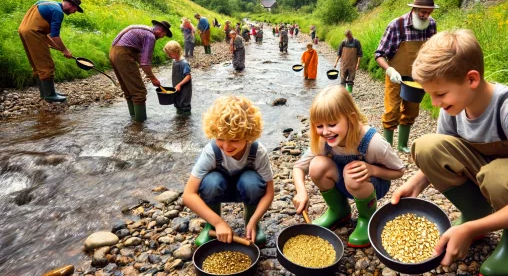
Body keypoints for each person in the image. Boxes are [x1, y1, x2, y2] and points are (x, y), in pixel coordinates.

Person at [390, 29, 508, 275]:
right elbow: (444, 152)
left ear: (471, 79)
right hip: (494, 173)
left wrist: (468, 230)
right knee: (426, 146)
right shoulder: (454, 106)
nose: (435, 103)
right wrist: (417, 182)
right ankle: (476, 214)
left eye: (440, 94)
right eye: (430, 95)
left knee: (497, 175)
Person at [292, 85, 405, 247]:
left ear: (351, 118)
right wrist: (301, 192)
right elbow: (298, 167)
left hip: (373, 185)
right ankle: (339, 211)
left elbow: (399, 171)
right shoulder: (324, 141)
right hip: (344, 181)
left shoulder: (373, 142)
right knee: (317, 165)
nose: (325, 132)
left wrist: (372, 170)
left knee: (351, 172)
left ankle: (367, 218)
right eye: (319, 126)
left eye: (332, 124)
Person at [182, 96, 274, 247]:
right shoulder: (211, 152)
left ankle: (251, 224)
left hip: (246, 191)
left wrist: (254, 219)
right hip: (218, 191)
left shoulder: (258, 152)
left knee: (252, 181)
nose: (226, 146)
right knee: (211, 181)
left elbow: (269, 193)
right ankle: (211, 225)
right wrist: (218, 223)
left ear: (248, 135)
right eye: (220, 138)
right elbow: (188, 195)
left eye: (234, 139)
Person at [375, 0, 438, 153]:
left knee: (411, 111)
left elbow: (433, 51)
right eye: (422, 12)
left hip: (417, 77)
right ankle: (387, 147)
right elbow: (379, 54)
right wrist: (389, 70)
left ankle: (402, 145)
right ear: (415, 9)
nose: (426, 16)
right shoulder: (397, 25)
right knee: (392, 111)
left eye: (429, 12)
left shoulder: (431, 25)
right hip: (395, 75)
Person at [18, 0, 83, 103]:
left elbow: (42, 31)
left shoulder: (45, 2)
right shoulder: (58, 12)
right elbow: (55, 36)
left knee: (36, 63)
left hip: (23, 31)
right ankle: (50, 94)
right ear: (70, 4)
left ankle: (44, 93)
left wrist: (60, 49)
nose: (73, 12)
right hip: (34, 33)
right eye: (74, 10)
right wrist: (65, 50)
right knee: (46, 64)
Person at [109, 20, 172, 122]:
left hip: (113, 53)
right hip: (123, 55)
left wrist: (148, 72)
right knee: (139, 92)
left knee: (128, 89)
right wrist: (153, 78)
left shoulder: (140, 28)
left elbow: (137, 54)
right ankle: (140, 123)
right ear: (160, 30)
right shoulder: (150, 36)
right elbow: (144, 62)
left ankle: (133, 118)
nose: (162, 37)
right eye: (164, 34)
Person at [163, 41, 192, 115]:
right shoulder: (174, 61)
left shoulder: (184, 63)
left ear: (176, 51)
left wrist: (179, 84)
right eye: (167, 54)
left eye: (170, 54)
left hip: (184, 88)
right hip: (176, 87)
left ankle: (186, 120)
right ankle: (179, 121)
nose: (169, 56)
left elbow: (188, 76)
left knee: (184, 103)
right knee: (177, 102)